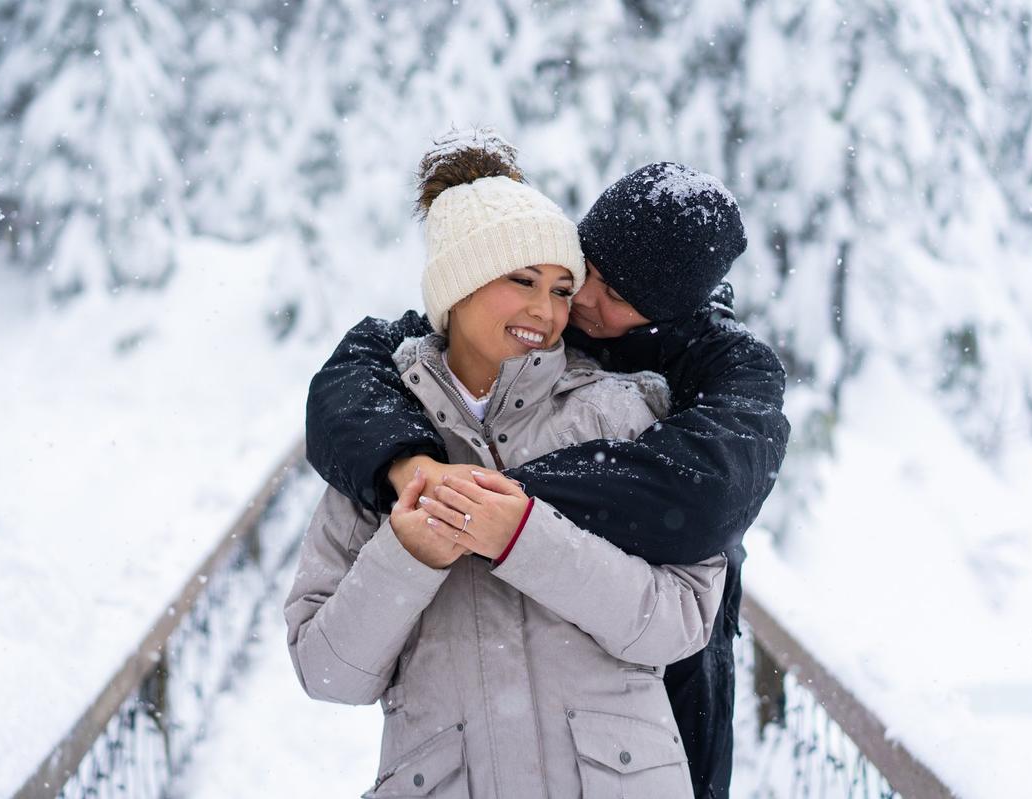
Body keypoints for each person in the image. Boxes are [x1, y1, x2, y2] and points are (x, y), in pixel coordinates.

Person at [305, 148, 790, 796]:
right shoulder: (424, 389)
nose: (573, 301)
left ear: (662, 314)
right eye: (579, 269)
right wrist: (411, 468)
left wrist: (503, 506)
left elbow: (702, 495)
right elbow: (359, 371)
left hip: (676, 709)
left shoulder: (708, 375)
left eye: (605, 293)